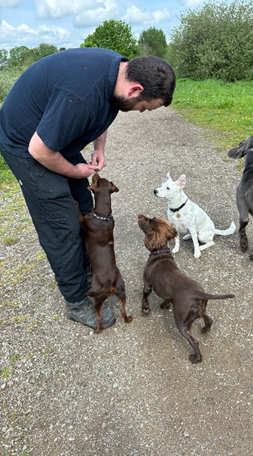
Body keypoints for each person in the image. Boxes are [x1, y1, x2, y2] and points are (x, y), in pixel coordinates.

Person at [0, 47, 176, 329]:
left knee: (85, 206)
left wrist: (99, 147)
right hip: (25, 143)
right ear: (136, 89)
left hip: (53, 136)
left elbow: (107, 108)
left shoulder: (119, 74)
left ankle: (85, 267)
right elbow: (40, 150)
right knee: (61, 224)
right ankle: (76, 301)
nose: (141, 111)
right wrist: (76, 170)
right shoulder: (81, 95)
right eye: (144, 107)